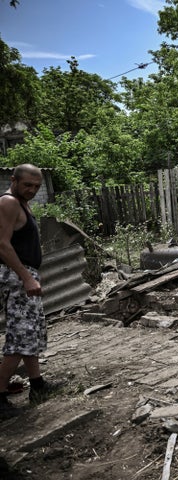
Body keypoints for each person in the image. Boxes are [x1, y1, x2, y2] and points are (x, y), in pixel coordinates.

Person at [0, 164, 60, 417]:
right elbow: (1, 244)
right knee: (20, 338)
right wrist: (26, 277)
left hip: (23, 276)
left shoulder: (21, 202)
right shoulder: (8, 203)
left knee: (30, 334)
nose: (33, 190)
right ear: (14, 180)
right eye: (28, 185)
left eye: (36, 186)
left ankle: (37, 384)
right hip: (16, 277)